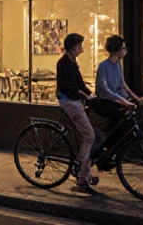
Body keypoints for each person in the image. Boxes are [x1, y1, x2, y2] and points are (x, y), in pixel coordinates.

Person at [92, 35, 143, 167]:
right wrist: (123, 101)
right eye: (123, 48)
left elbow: (123, 85)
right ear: (115, 50)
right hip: (108, 103)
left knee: (125, 128)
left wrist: (137, 99)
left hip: (119, 101)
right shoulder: (103, 66)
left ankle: (108, 154)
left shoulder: (118, 64)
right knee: (119, 127)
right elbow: (102, 88)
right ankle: (103, 153)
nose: (125, 51)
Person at [57, 33, 100, 194]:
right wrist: (84, 95)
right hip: (70, 102)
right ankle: (81, 175)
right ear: (74, 47)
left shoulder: (72, 62)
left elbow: (80, 83)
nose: (82, 49)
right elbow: (71, 86)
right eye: (80, 46)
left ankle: (84, 170)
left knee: (89, 134)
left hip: (75, 101)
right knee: (89, 135)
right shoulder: (64, 63)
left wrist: (91, 94)